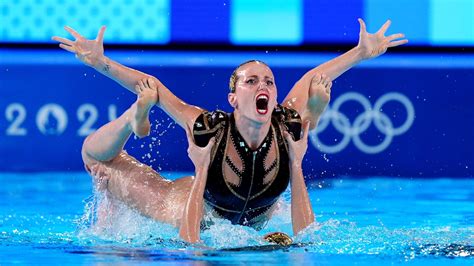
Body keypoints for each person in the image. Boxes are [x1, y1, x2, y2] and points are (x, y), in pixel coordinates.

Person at [52, 19, 407, 243]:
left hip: (255, 220)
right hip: (184, 207)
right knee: (96, 159)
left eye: (268, 80)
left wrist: (359, 54)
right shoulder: (209, 128)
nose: (261, 85)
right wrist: (100, 63)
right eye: (251, 81)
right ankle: (133, 118)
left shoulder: (286, 126)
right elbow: (154, 87)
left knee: (310, 109)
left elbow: (314, 78)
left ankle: (135, 122)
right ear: (233, 98)